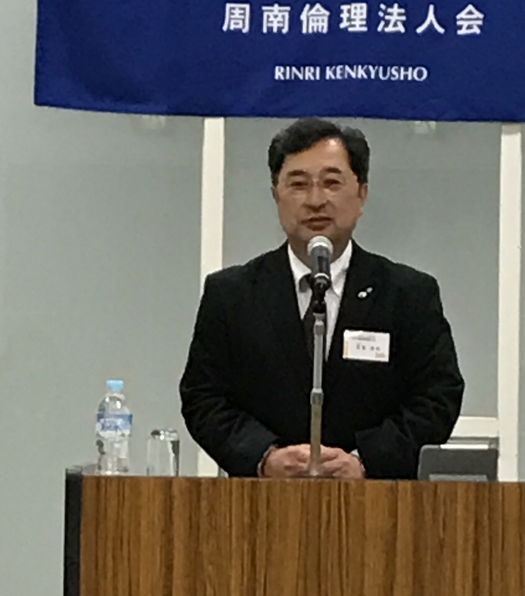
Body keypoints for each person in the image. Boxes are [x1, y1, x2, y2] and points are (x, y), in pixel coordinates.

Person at [180, 117, 464, 479]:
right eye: (298, 184)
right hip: (260, 501)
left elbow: (438, 397)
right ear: (276, 194)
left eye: (331, 183)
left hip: (376, 501)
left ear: (361, 194)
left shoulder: (408, 295)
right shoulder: (232, 294)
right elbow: (203, 398)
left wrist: (366, 460)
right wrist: (264, 457)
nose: (315, 200)